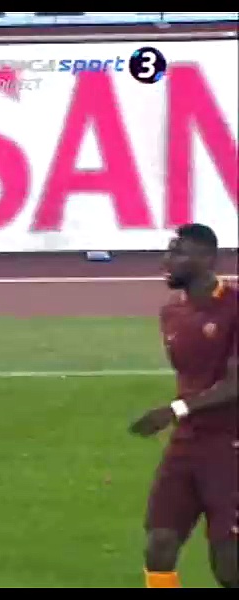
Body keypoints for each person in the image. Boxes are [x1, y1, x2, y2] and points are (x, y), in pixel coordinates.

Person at [129, 223, 237, 588]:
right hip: (187, 443)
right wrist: (181, 413)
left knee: (229, 567)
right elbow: (192, 378)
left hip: (230, 446)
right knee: (159, 544)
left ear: (207, 259)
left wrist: (174, 410)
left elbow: (235, 385)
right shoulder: (172, 314)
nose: (167, 261)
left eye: (179, 253)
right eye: (169, 251)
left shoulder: (234, 307)